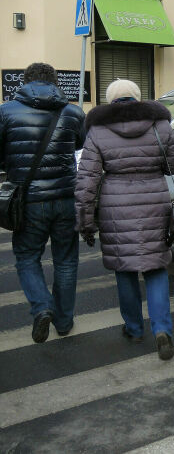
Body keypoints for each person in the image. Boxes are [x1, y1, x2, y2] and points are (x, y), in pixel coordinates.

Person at [75, 80, 174, 360]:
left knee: (124, 268)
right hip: (154, 202)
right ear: (138, 97)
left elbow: (86, 181)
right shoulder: (159, 124)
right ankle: (163, 331)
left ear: (110, 100)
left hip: (115, 207)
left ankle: (134, 329)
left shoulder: (97, 130)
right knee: (156, 268)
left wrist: (86, 220)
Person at [0, 62, 85, 343]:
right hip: (65, 198)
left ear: (25, 82)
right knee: (66, 260)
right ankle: (63, 321)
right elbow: (77, 145)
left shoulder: (6, 111)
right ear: (55, 82)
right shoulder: (73, 111)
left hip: (28, 201)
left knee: (26, 257)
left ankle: (41, 307)